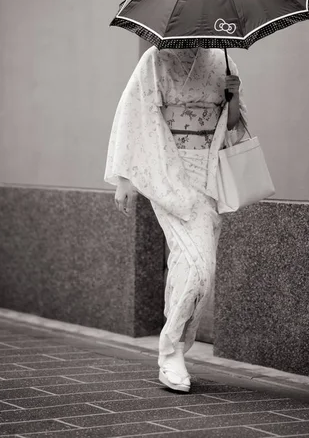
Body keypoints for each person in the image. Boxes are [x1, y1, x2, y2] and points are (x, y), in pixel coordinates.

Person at [104, 45, 248, 392]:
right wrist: (125, 178)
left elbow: (232, 126)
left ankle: (175, 347)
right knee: (199, 268)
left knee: (195, 268)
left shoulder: (222, 59)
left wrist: (234, 94)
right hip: (166, 169)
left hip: (208, 173)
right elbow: (133, 115)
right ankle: (171, 351)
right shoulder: (155, 59)